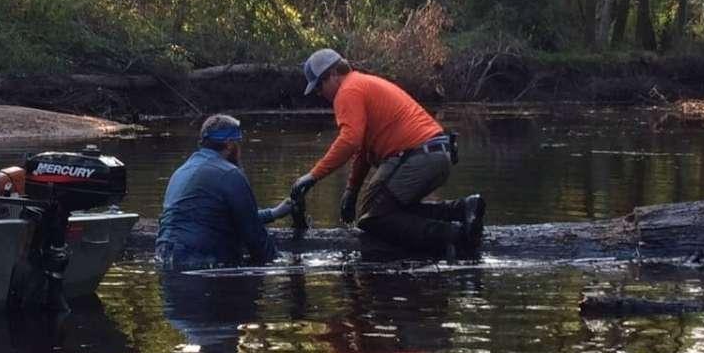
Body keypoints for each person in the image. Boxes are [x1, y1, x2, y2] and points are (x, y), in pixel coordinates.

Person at [288, 48, 485, 255]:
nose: (320, 94)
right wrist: (351, 190)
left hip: (418, 157)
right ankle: (462, 209)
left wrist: (313, 176)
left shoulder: (347, 91)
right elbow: (363, 148)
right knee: (390, 211)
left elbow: (349, 140)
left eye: (319, 86)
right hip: (436, 154)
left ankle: (454, 236)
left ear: (333, 74)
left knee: (373, 218)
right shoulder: (360, 83)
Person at [155, 114, 293, 270]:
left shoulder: (181, 171)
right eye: (239, 143)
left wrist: (273, 213)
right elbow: (254, 235)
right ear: (229, 144)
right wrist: (282, 265)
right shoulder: (230, 173)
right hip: (200, 263)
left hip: (164, 257)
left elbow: (212, 218)